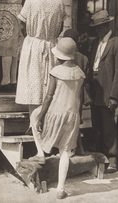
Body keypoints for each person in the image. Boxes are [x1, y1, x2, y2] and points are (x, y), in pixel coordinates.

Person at [16, 0, 66, 161]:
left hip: (33, 46)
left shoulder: (30, 1)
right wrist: (49, 37)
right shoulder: (59, 3)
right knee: (49, 95)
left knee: (33, 95)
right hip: (52, 47)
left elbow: (21, 24)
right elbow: (60, 28)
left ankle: (39, 148)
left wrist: (31, 38)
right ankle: (48, 143)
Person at [33, 38, 86, 199]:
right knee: (65, 151)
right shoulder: (80, 73)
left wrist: (41, 117)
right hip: (72, 114)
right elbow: (80, 98)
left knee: (34, 116)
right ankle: (60, 189)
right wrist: (79, 116)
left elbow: (49, 97)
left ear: (60, 56)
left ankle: (40, 151)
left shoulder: (56, 71)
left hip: (55, 113)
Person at [86, 10, 118, 173]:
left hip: (108, 89)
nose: (96, 30)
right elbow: (92, 65)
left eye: (98, 27)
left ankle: (112, 160)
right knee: (97, 125)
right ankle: (100, 158)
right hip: (96, 87)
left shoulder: (117, 43)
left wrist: (114, 96)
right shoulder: (96, 43)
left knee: (109, 126)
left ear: (105, 26)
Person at [62, 29, 90, 155]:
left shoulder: (63, 57)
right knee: (76, 121)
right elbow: (87, 78)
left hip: (64, 94)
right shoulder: (84, 58)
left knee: (65, 121)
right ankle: (78, 147)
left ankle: (68, 147)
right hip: (78, 95)